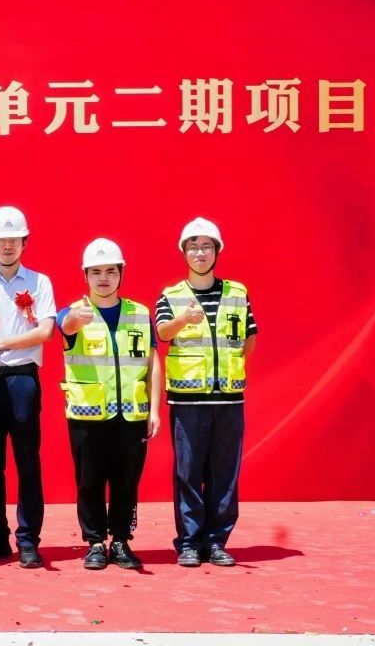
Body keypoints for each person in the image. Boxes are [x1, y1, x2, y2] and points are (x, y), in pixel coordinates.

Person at [155, 217, 257, 568]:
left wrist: (229, 369)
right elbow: (162, 334)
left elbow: (249, 339)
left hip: (229, 398)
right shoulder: (171, 295)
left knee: (225, 474)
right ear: (184, 253)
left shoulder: (238, 294)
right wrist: (183, 320)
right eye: (193, 247)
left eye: (207, 246)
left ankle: (216, 542)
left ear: (217, 251)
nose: (200, 253)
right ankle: (189, 542)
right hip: (188, 400)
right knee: (188, 473)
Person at [56, 238, 161, 571]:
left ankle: (120, 540)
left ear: (121, 274)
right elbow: (66, 326)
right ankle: (95, 543)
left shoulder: (139, 314)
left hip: (131, 414)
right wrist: (76, 319)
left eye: (110, 271)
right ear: (85, 275)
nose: (104, 278)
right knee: (89, 482)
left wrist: (154, 410)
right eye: (96, 272)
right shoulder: (73, 312)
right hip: (88, 415)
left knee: (126, 481)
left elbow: (152, 362)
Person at [0, 205, 56, 568]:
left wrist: (0, 343)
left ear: (24, 243)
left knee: (27, 462)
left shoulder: (40, 282)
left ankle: (28, 540)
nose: (7, 246)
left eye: (14, 240)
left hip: (22, 380)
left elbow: (45, 331)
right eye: (1, 240)